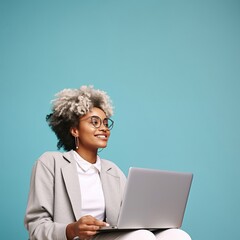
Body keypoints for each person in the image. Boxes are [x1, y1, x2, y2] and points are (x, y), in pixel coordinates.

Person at [24, 85, 191, 240]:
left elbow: (128, 222)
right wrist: (72, 229)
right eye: (95, 122)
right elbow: (36, 227)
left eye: (105, 123)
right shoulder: (50, 163)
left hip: (106, 237)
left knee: (177, 235)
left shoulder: (113, 171)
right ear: (74, 130)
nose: (104, 128)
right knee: (141, 237)